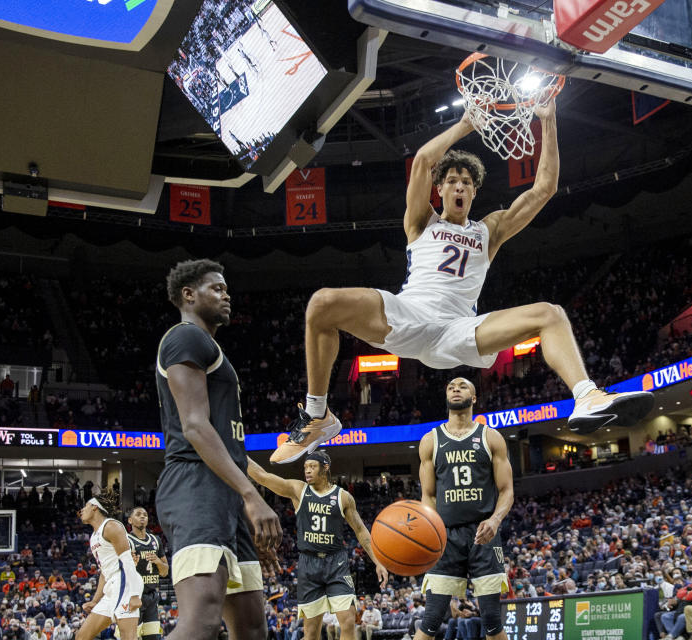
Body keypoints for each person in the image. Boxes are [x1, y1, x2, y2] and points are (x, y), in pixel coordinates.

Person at [270, 100, 654, 464]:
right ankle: (318, 415)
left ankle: (586, 396)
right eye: (451, 180)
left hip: (459, 328)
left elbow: (544, 189)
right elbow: (422, 160)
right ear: (439, 190)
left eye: (466, 182)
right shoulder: (422, 222)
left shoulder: (490, 230)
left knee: (550, 314)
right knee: (321, 304)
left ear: (474, 192)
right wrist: (465, 125)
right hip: (409, 314)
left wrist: (547, 120)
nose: (458, 186)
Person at [154, 259, 282, 640]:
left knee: (252, 626)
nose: (226, 295)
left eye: (227, 289)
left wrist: (245, 503)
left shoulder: (209, 347)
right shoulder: (184, 337)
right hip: (195, 484)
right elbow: (194, 426)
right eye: (217, 288)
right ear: (188, 295)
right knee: (202, 620)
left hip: (225, 496)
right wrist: (250, 494)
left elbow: (229, 445)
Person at [246, 452, 388, 640]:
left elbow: (361, 531)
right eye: (305, 468)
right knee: (311, 632)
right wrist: (236, 448)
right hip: (308, 564)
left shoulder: (343, 497)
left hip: (336, 563)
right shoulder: (298, 489)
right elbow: (263, 476)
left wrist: (378, 561)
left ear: (325, 467)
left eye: (312, 466)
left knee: (347, 621)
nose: (307, 471)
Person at [413, 378, 514, 640]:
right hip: (446, 536)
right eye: (450, 386)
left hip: (485, 535)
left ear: (475, 397)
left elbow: (506, 491)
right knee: (432, 618)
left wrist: (495, 520)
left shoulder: (491, 437)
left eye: (463, 385)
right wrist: (432, 530)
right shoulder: (430, 441)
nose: (456, 389)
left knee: (492, 619)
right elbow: (428, 495)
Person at [75, 493, 144, 640]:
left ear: (94, 507)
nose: (81, 510)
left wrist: (134, 594)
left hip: (125, 583)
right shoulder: (94, 536)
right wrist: (95, 601)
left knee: (128, 637)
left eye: (85, 506)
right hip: (111, 586)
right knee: (82, 636)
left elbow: (128, 562)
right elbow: (104, 572)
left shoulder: (111, 526)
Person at [126, 507, 168, 640]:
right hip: (133, 597)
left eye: (145, 514)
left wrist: (158, 562)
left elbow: (165, 572)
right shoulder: (126, 540)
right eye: (138, 514)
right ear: (130, 520)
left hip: (151, 597)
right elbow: (119, 572)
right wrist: (131, 565)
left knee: (153, 637)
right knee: (130, 637)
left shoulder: (156, 540)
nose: (143, 516)